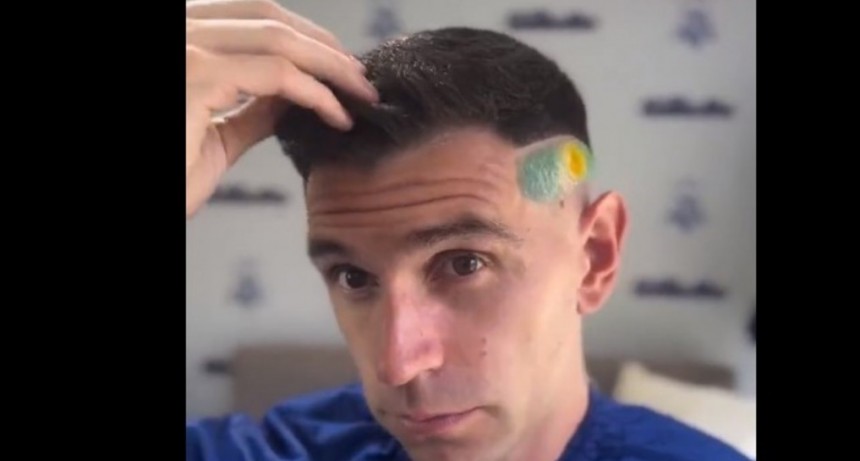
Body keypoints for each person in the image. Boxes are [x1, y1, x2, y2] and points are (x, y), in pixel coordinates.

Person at [185, 1, 752, 460]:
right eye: (354, 277)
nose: (397, 364)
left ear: (595, 256)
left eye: (464, 263)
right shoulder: (295, 449)